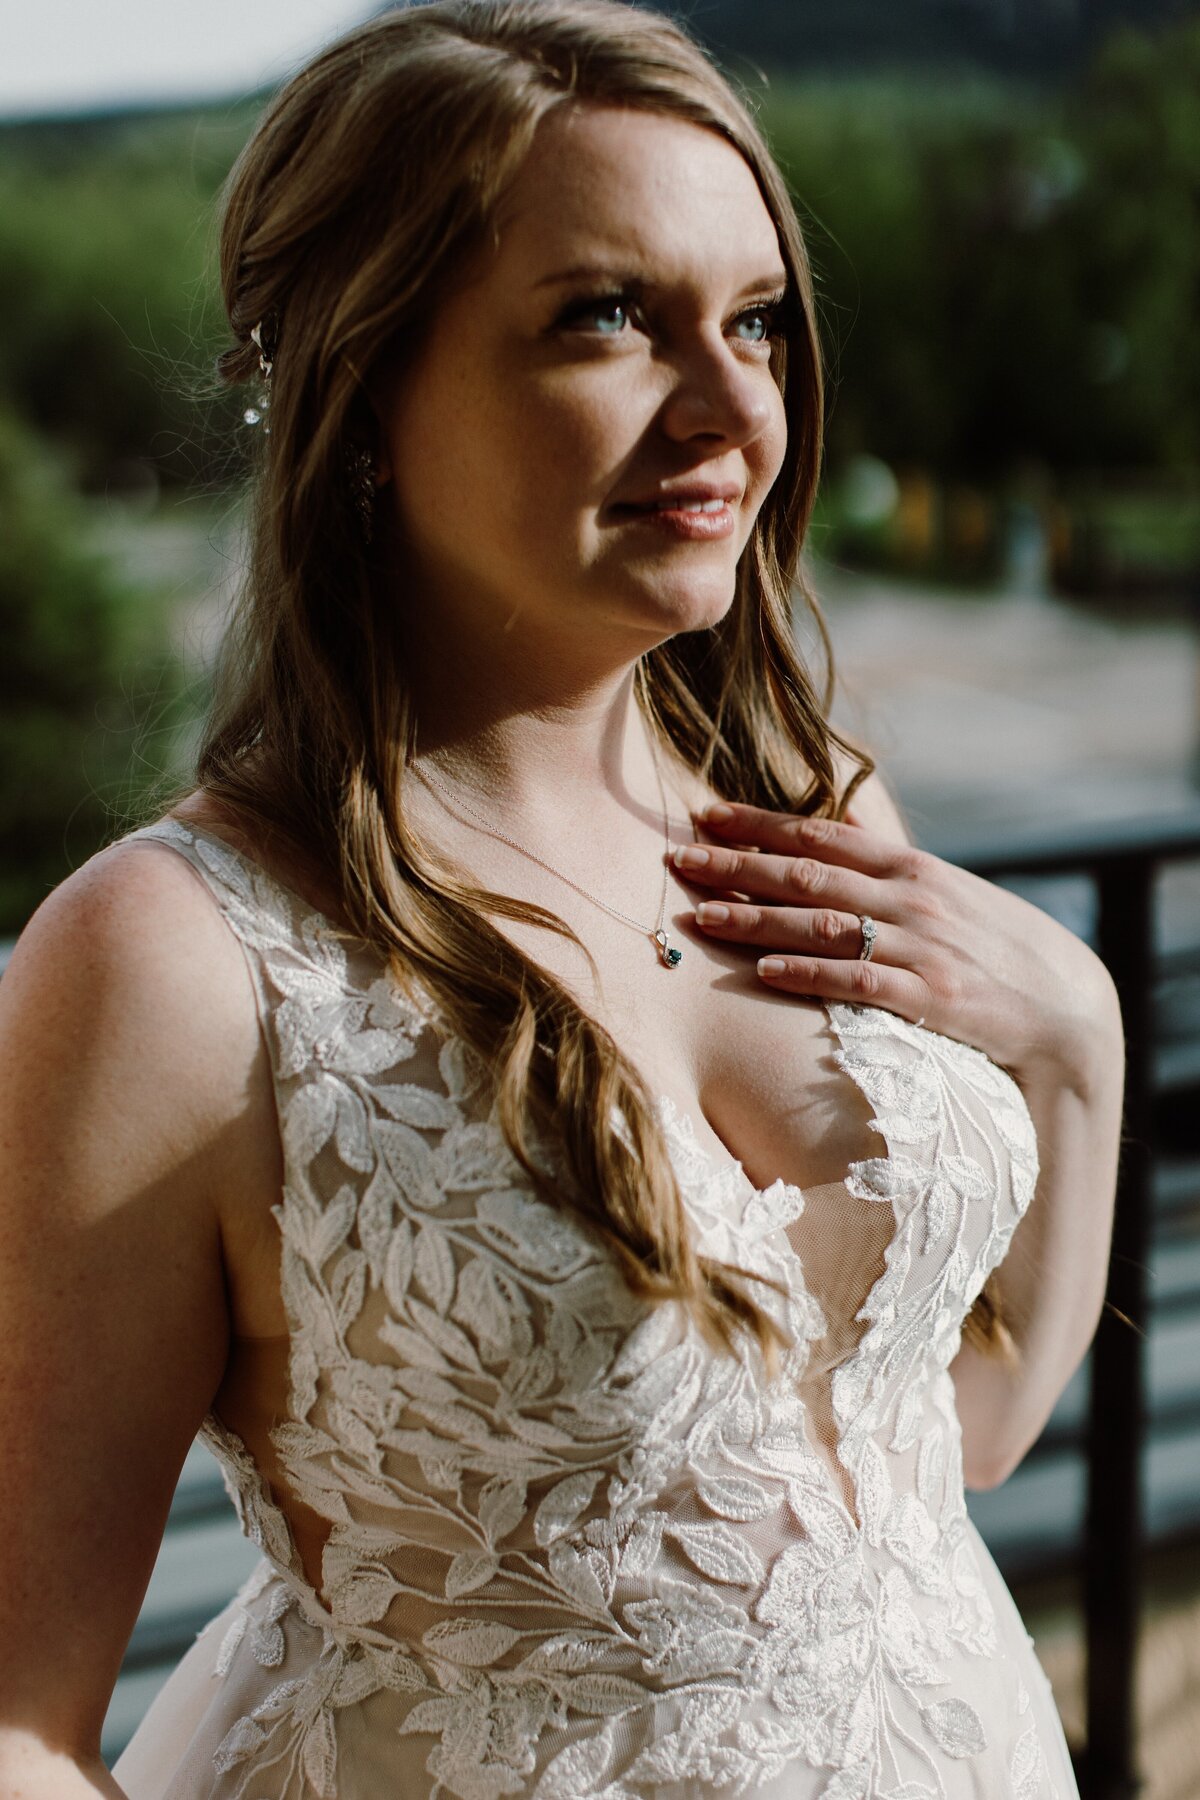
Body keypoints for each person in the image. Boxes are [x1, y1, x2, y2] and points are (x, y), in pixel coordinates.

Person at [0, 2, 1125, 1795]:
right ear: (364, 388)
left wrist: (1074, 1039)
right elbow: (20, 1719)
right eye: (606, 317)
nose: (735, 405)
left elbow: (950, 1445)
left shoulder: (807, 806)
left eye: (754, 320)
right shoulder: (175, 960)